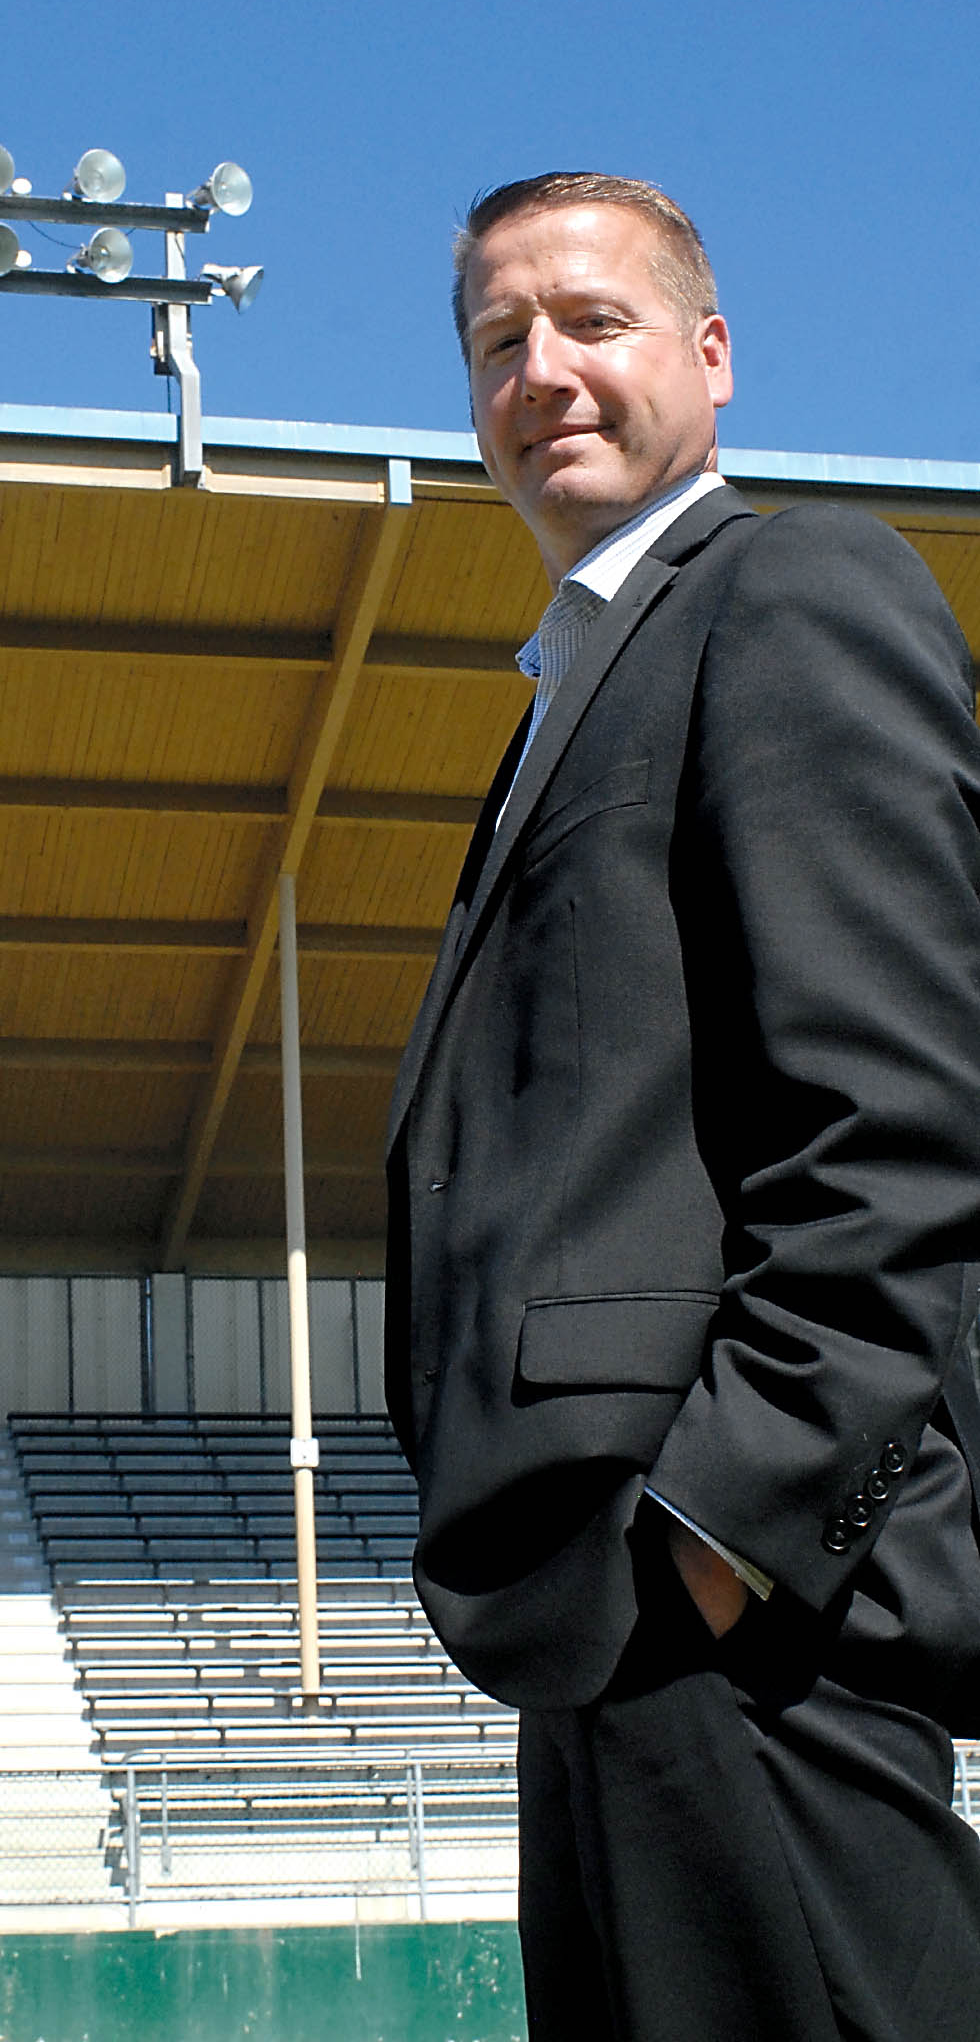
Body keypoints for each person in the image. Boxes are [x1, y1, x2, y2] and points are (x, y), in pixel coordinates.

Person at [384, 171, 980, 2040]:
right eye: (499, 342)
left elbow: (907, 1125)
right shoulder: (572, 685)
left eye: (592, 322)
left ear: (711, 360)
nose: (541, 370)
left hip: (747, 1619)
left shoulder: (797, 592)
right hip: (611, 1624)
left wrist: (738, 1537)